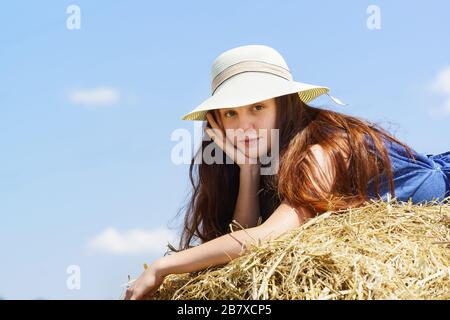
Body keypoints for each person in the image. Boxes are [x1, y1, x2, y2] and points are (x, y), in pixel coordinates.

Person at [124, 44, 450, 300]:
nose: (244, 124)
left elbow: (267, 236)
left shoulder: (320, 151)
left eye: (258, 107)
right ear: (216, 122)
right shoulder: (258, 158)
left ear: (285, 104)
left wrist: (163, 267)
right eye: (231, 113)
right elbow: (245, 232)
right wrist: (249, 170)